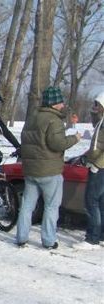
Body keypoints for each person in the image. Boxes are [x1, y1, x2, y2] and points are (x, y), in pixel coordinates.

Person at [16, 86, 80, 249]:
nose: (62, 104)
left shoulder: (32, 117)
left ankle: (21, 237)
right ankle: (48, 240)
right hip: (49, 171)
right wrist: (75, 138)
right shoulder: (54, 120)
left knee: (27, 206)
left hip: (31, 170)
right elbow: (57, 144)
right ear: (54, 104)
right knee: (51, 206)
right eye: (60, 102)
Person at [74, 92, 104, 250]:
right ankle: (101, 235)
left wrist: (97, 165)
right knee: (101, 202)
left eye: (98, 105)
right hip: (99, 166)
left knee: (91, 201)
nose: (95, 107)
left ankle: (92, 239)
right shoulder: (101, 121)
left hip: (100, 168)